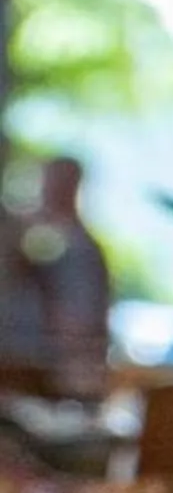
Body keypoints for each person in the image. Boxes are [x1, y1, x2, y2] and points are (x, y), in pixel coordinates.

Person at [0, 158, 113, 387]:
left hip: (66, 368)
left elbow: (92, 312)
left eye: (63, 180)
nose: (53, 188)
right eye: (51, 180)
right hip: (18, 360)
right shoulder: (21, 234)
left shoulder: (87, 248)